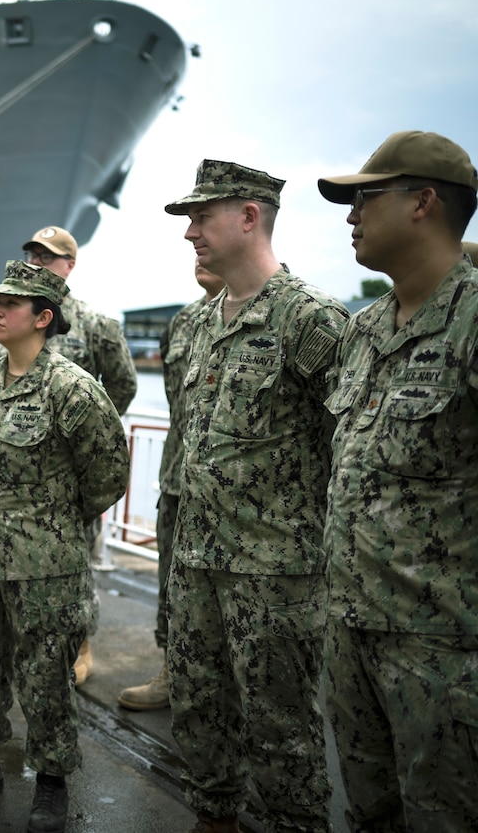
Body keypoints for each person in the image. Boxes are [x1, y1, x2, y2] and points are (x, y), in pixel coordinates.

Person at [163, 159, 348, 833]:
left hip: (276, 577)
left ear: (249, 216)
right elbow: (188, 442)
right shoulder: (192, 326)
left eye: (201, 217)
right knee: (197, 709)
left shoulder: (312, 321)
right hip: (197, 565)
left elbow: (351, 446)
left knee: (282, 732)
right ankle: (213, 818)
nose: (190, 233)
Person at [0, 259, 129, 833]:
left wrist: (52, 522)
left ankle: (53, 781)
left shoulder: (73, 389)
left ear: (43, 318)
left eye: (10, 304)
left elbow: (109, 473)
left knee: (45, 674)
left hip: (45, 562)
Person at [316, 131, 478, 831]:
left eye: (365, 197)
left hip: (442, 652)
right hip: (350, 635)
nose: (351, 214)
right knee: (369, 815)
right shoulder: (365, 329)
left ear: (423, 201)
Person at [0, 225, 136, 684]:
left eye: (47, 257)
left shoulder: (96, 324)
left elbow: (122, 385)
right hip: (11, 476)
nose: (36, 262)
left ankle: (79, 642)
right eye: (31, 254)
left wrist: (83, 441)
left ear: (70, 266)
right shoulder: (2, 318)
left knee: (74, 567)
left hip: (65, 476)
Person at [117, 261, 224, 711]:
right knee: (172, 585)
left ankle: (225, 688)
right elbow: (175, 401)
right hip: (177, 478)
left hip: (233, 492)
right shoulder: (181, 323)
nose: (196, 245)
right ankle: (173, 670)